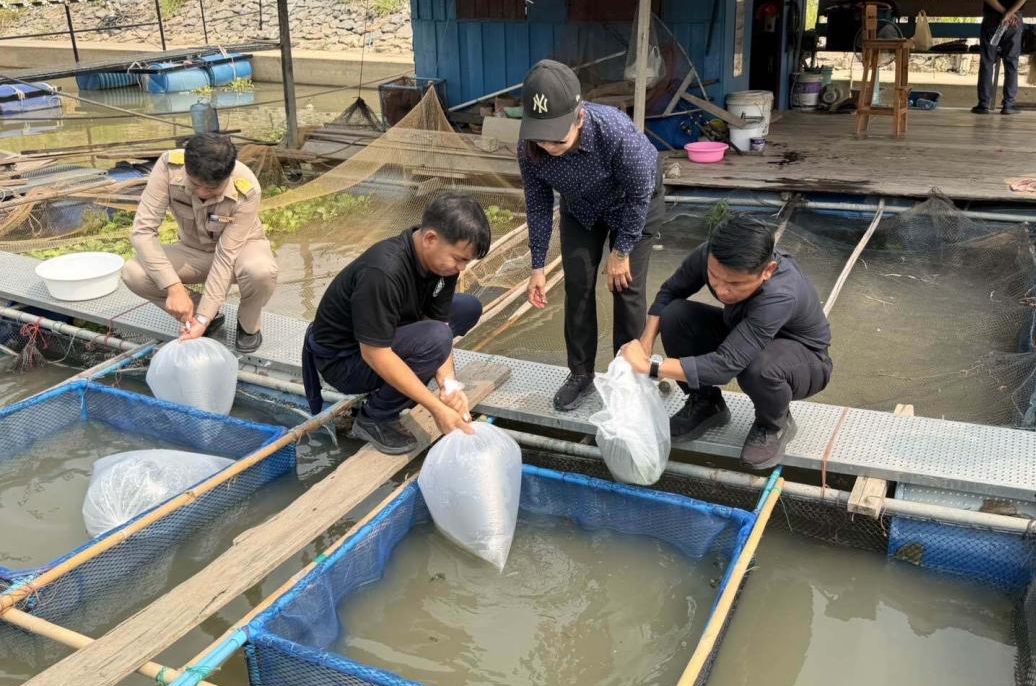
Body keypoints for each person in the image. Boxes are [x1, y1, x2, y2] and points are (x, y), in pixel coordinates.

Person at [620, 214, 832, 470]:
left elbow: (726, 365)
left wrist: (651, 366)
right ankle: (706, 403)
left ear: (768, 271)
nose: (721, 291)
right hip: (745, 332)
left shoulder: (780, 294)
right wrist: (646, 342)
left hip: (804, 359)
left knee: (759, 368)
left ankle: (774, 423)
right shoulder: (713, 255)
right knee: (675, 315)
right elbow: (670, 291)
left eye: (735, 284)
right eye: (714, 277)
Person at [518, 58, 664, 412]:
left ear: (579, 117)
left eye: (558, 138)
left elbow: (640, 194)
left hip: (632, 206)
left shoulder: (616, 133)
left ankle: (629, 374)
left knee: (626, 288)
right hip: (581, 209)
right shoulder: (529, 148)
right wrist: (537, 266)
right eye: (542, 137)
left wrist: (621, 251)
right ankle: (580, 373)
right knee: (578, 285)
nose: (549, 147)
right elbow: (538, 206)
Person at [301, 193, 490, 455]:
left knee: (467, 308)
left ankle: (406, 384)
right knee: (435, 339)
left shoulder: (441, 266)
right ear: (430, 239)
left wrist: (449, 386)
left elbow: (441, 322)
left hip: (386, 334)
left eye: (466, 261)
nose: (462, 268)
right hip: (344, 361)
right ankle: (375, 416)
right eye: (459, 259)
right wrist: (436, 408)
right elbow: (374, 353)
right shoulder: (383, 272)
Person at [122, 133, 276, 353]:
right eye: (195, 185)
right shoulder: (168, 167)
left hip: (241, 249)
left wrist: (203, 317)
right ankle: (202, 316)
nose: (202, 193)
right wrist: (174, 288)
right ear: (186, 168)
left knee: (261, 271)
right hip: (193, 251)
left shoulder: (247, 188)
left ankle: (248, 325)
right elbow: (143, 232)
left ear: (228, 174)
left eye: (212, 190)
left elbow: (226, 256)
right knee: (134, 272)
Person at [973, 0, 1036, 116]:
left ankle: (983, 105)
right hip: (1014, 21)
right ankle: (1008, 105)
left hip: (992, 19)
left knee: (987, 61)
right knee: (1011, 61)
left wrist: (1003, 12)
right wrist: (1011, 13)